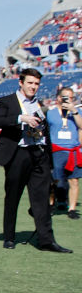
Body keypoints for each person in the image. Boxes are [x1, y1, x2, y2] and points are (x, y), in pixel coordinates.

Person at [0, 69, 72, 252]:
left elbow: (46, 132)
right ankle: (9, 237)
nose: (33, 87)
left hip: (39, 153)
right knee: (13, 196)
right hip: (18, 153)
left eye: (36, 84)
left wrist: (48, 158)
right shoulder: (7, 101)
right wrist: (21, 118)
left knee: (42, 199)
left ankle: (46, 240)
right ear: (21, 82)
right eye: (30, 83)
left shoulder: (38, 104)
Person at [47, 86, 82, 219]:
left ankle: (71, 209)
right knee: (54, 180)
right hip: (56, 150)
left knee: (74, 180)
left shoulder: (77, 111)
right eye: (66, 97)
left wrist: (74, 111)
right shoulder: (51, 113)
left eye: (72, 97)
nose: (69, 100)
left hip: (73, 150)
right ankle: (51, 203)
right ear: (59, 98)